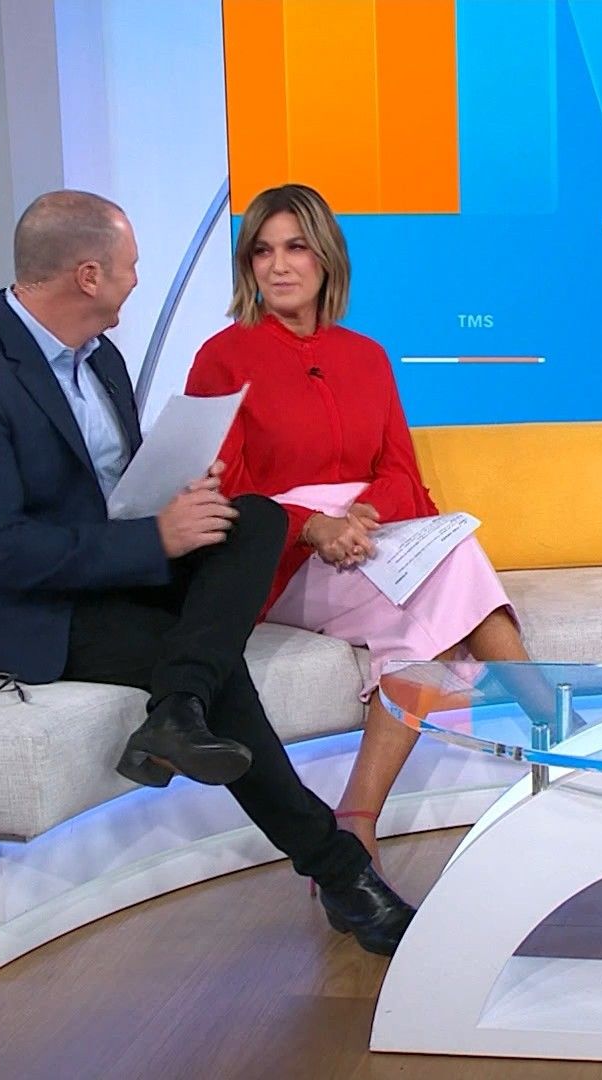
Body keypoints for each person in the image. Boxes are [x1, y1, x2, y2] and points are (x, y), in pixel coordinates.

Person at [0, 190, 413, 955]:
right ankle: (343, 872)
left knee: (257, 518)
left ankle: (176, 711)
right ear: (88, 275)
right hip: (19, 605)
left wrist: (179, 498)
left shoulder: (101, 358)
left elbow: (116, 491)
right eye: (129, 267)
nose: (136, 281)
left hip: (110, 569)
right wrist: (155, 540)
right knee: (213, 668)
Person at [186, 184, 531, 870]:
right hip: (281, 555)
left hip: (373, 539)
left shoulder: (366, 355)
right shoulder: (222, 358)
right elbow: (225, 493)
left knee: (439, 586)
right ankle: (560, 737)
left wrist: (364, 512)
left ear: (326, 259)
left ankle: (355, 823)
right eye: (262, 251)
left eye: (295, 247)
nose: (279, 265)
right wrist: (313, 525)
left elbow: (403, 473)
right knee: (456, 565)